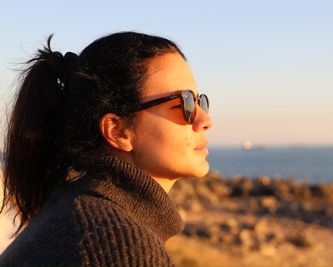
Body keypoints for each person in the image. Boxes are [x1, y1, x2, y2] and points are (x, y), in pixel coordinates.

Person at [0, 31, 213, 266]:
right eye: (185, 102)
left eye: (199, 100)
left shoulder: (78, 209)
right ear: (118, 131)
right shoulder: (117, 247)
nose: (204, 119)